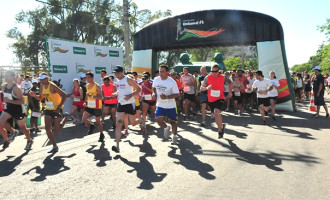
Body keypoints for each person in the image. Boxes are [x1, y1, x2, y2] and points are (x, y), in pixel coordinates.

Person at [30, 72, 69, 152]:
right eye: (40, 79)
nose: (41, 80)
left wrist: (59, 107)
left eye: (43, 79)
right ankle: (54, 146)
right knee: (47, 128)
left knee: (57, 130)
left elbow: (64, 95)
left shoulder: (53, 86)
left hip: (56, 109)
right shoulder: (41, 86)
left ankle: (65, 118)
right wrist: (34, 95)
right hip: (48, 109)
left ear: (47, 78)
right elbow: (41, 98)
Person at [112, 66, 145, 153]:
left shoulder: (128, 79)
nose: (116, 74)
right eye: (115, 73)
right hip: (121, 104)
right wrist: (115, 94)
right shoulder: (116, 81)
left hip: (130, 103)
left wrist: (130, 95)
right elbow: (119, 91)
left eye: (118, 73)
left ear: (122, 72)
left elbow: (139, 89)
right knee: (118, 124)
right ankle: (117, 146)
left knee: (133, 123)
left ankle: (142, 120)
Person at [0, 70, 33, 150]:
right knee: (0, 122)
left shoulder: (17, 88)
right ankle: (10, 135)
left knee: (22, 127)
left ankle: (29, 140)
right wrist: (5, 101)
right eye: (5, 76)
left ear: (13, 77)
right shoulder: (4, 86)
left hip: (18, 109)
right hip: (9, 108)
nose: (6, 78)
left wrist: (9, 100)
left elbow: (21, 101)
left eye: (8, 76)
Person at [201, 64, 232, 138]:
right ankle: (221, 126)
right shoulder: (207, 77)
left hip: (220, 98)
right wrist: (206, 88)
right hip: (211, 100)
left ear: (218, 71)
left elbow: (230, 82)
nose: (214, 73)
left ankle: (220, 130)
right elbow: (201, 88)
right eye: (212, 71)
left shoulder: (223, 77)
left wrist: (230, 92)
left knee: (216, 112)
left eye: (216, 71)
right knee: (216, 115)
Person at [153, 64, 180, 143]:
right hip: (160, 105)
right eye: (159, 71)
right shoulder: (156, 79)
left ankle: (174, 136)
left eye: (163, 72)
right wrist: (154, 93)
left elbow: (177, 94)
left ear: (167, 72)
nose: (161, 73)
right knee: (159, 121)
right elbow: (154, 87)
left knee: (173, 122)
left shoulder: (172, 82)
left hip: (170, 105)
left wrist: (167, 97)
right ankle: (167, 127)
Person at [82, 72, 105, 142]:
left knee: (98, 122)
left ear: (92, 78)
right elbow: (87, 94)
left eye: (89, 77)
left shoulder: (97, 86)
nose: (87, 79)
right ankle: (91, 125)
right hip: (89, 105)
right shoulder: (87, 85)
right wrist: (85, 101)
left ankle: (101, 134)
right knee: (84, 119)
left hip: (97, 106)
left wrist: (92, 96)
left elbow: (101, 97)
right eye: (86, 78)